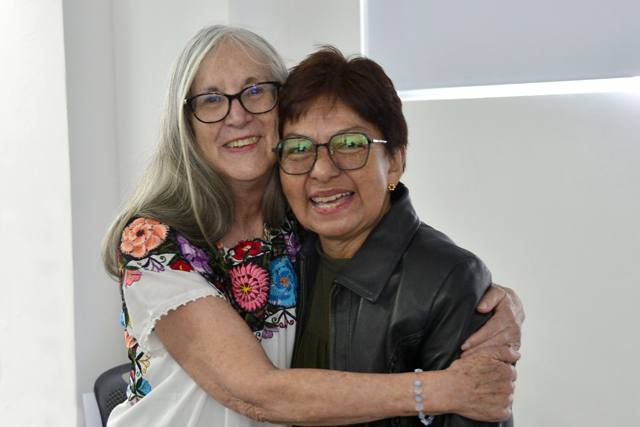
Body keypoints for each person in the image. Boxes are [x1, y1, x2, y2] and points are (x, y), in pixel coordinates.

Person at [102, 24, 523, 427]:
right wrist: (440, 390)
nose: (238, 115)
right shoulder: (154, 241)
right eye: (211, 99)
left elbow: (408, 263)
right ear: (187, 123)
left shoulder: (297, 221)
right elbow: (256, 393)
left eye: (255, 91)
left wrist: (482, 299)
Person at [274, 46, 515, 426]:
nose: (321, 171)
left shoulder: (449, 280)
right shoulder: (274, 255)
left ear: (396, 162)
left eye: (349, 144)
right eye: (299, 148)